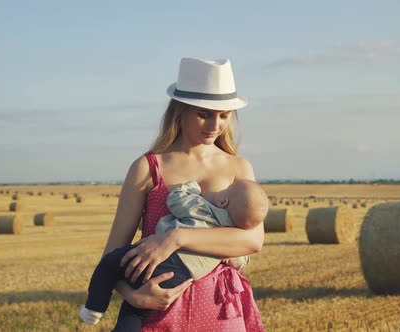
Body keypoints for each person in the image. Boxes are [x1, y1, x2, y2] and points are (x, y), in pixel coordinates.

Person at [97, 58, 266, 331]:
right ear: (180, 110)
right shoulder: (148, 167)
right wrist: (135, 296)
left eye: (224, 115)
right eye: (204, 113)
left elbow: (253, 240)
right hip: (158, 314)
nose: (215, 125)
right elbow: (112, 254)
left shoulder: (239, 167)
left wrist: (176, 238)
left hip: (222, 311)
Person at [80, 178, 269, 330]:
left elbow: (177, 200)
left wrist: (191, 188)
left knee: (109, 266)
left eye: (226, 188)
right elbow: (240, 256)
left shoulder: (204, 207)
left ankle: (94, 308)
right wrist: (132, 296)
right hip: (182, 279)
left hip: (162, 266)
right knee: (136, 311)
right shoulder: (230, 231)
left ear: (223, 201)